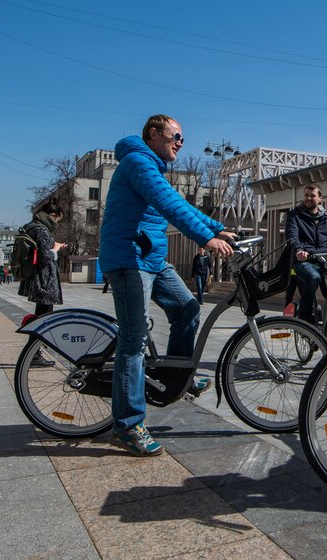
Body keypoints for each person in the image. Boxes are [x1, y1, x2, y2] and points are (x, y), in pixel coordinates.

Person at [99, 114, 235, 457]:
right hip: (130, 259)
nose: (180, 143)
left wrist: (216, 227)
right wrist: (205, 238)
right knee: (134, 341)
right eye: (176, 137)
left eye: (182, 139)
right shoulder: (137, 163)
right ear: (154, 134)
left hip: (151, 258)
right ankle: (126, 426)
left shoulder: (153, 167)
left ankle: (176, 377)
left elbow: (181, 204)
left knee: (187, 307)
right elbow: (169, 205)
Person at [284, 184, 327, 324]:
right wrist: (299, 250)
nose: (308, 198)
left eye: (312, 195)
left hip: (325, 261)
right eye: (306, 195)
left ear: (320, 198)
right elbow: (292, 236)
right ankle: (305, 318)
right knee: (313, 277)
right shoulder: (295, 216)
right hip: (304, 261)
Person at [17, 197, 66, 367]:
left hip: (35, 278)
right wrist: (56, 249)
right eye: (58, 219)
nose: (57, 223)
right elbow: (45, 258)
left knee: (41, 316)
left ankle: (34, 352)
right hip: (44, 281)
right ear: (52, 215)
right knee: (43, 318)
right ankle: (34, 354)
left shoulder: (31, 227)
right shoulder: (42, 230)